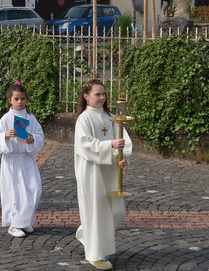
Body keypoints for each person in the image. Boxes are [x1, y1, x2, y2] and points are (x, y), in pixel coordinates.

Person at [73, 79, 132, 270]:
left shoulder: (111, 117)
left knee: (116, 212)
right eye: (97, 94)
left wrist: (121, 157)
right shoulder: (84, 119)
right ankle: (95, 254)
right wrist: (111, 146)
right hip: (91, 172)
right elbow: (86, 145)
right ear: (86, 96)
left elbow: (125, 143)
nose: (102, 97)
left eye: (104, 94)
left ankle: (85, 232)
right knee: (97, 213)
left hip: (110, 171)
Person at [0, 82, 44, 238]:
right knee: (15, 193)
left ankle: (25, 220)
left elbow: (39, 135)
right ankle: (14, 224)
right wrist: (5, 135)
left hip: (26, 159)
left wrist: (32, 140)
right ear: (10, 100)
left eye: (22, 99)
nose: (20, 102)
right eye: (16, 99)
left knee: (34, 189)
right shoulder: (6, 119)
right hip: (11, 160)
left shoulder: (30, 118)